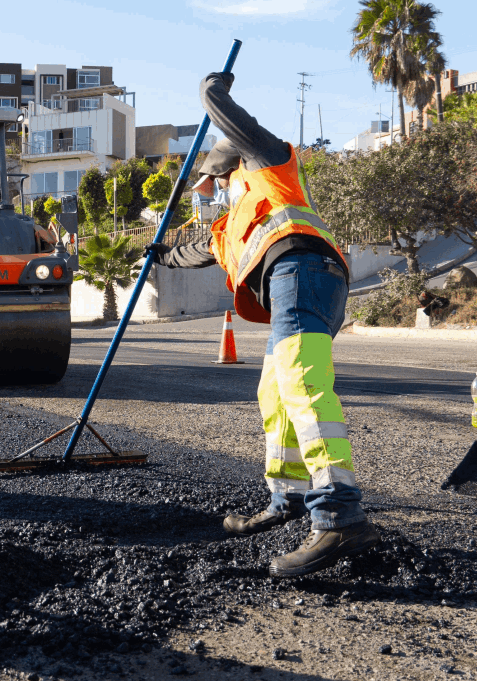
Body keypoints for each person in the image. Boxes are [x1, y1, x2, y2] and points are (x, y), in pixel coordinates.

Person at [146, 72, 378, 578]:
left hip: (307, 272)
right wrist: (159, 254)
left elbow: (231, 119)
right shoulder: (230, 226)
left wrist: (210, 92)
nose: (215, 192)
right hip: (295, 285)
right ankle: (288, 496)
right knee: (273, 392)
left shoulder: (270, 165)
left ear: (230, 167)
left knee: (301, 385)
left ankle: (340, 512)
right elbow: (192, 252)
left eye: (216, 181)